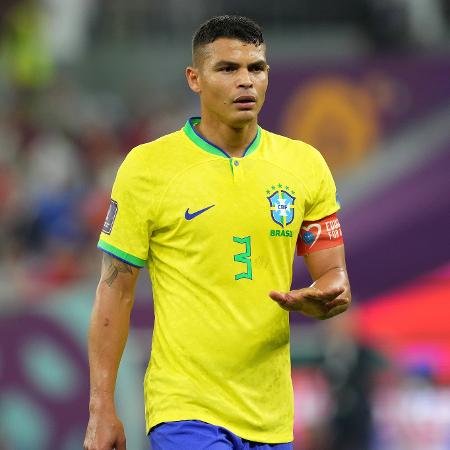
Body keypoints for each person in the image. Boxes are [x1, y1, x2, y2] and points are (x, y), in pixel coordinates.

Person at [83, 15, 351, 450]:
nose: (245, 81)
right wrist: (101, 408)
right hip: (185, 408)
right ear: (195, 78)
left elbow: (334, 277)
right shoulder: (148, 168)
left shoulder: (304, 166)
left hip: (271, 414)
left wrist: (325, 298)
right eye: (227, 69)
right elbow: (114, 292)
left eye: (256, 68)